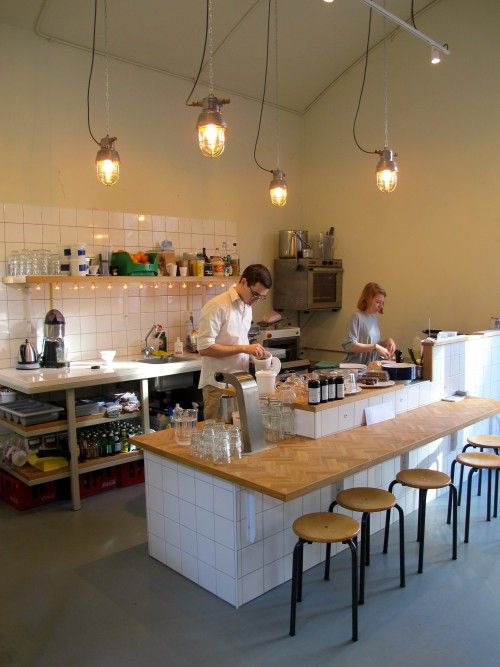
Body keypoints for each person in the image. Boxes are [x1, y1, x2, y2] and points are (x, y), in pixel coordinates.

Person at [197, 263, 272, 420]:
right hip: (218, 387)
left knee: (238, 437)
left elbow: (238, 340)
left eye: (261, 297)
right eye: (255, 294)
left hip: (239, 384)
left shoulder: (247, 307)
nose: (256, 300)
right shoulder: (217, 306)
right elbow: (204, 348)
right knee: (218, 438)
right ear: (244, 282)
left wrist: (255, 355)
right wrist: (244, 348)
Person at [342, 281, 396, 365]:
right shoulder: (356, 317)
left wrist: (387, 341)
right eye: (378, 302)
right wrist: (375, 347)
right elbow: (349, 345)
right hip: (355, 368)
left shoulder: (373, 317)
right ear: (367, 299)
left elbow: (372, 343)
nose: (381, 306)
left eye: (382, 303)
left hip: (369, 368)